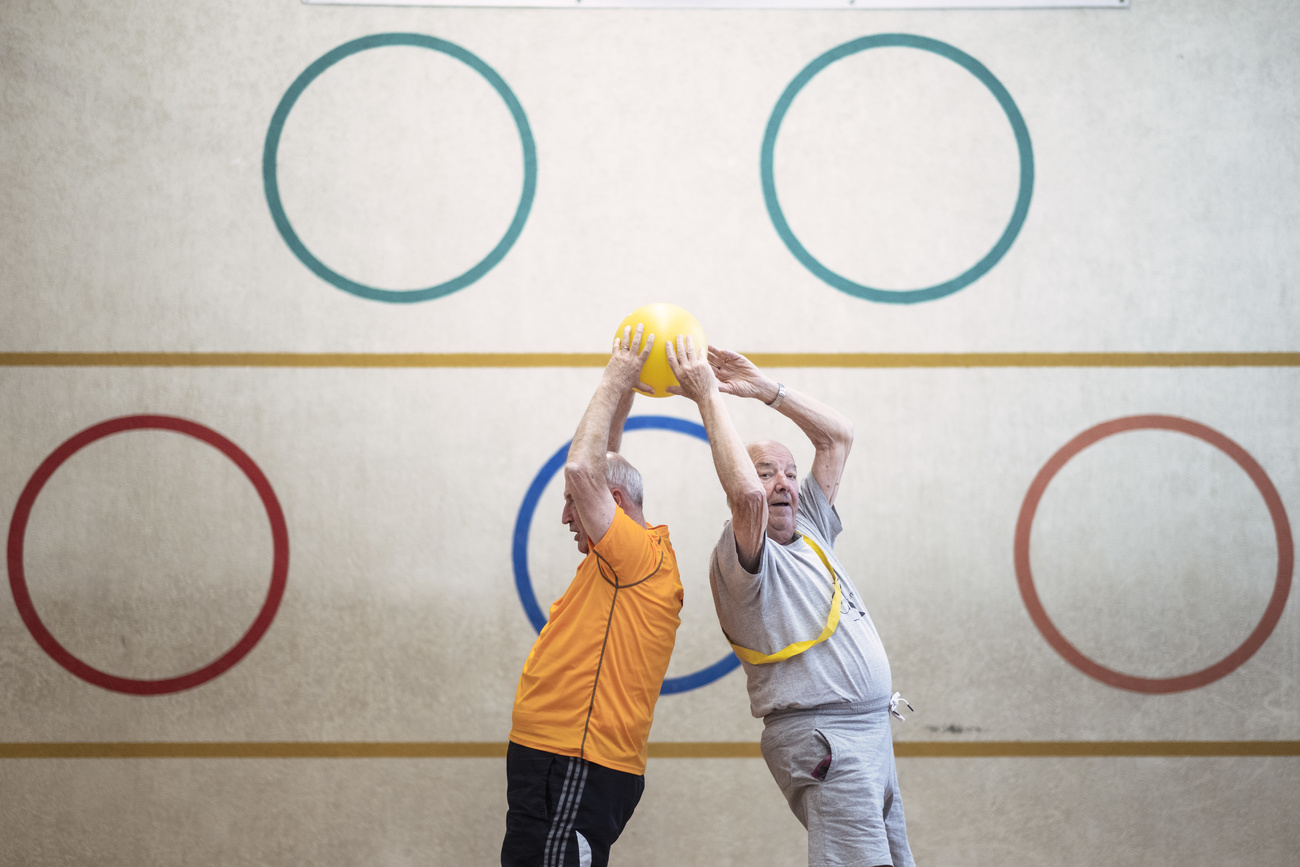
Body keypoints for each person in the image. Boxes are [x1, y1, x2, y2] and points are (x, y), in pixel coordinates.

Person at [666, 335, 915, 867]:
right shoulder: (742, 553)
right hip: (828, 738)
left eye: (789, 472)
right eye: (765, 471)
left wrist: (766, 390)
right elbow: (748, 499)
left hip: (870, 733)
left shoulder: (810, 529)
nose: (782, 483)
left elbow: (838, 438)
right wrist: (709, 395)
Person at [502, 324, 685, 867]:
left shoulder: (635, 556)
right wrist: (626, 388)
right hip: (558, 761)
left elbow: (584, 469)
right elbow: (601, 458)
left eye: (572, 504)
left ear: (615, 502)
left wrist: (616, 374)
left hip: (573, 761)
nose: (565, 516)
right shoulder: (619, 557)